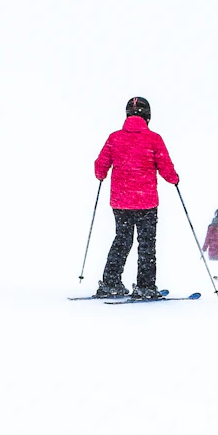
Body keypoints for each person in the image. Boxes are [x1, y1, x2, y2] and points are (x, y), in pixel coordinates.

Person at [93, 97, 180, 300]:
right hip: (146, 202)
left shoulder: (115, 138)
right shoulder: (154, 139)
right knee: (146, 243)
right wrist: (175, 179)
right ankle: (145, 286)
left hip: (121, 201)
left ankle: (110, 282)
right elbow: (166, 168)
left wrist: (102, 174)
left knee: (122, 240)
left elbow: (100, 167)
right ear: (147, 116)